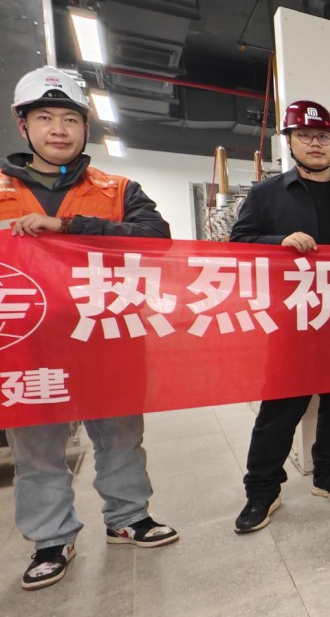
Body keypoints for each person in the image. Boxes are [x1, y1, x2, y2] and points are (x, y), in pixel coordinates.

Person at [3, 67, 178, 590]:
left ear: (85, 126)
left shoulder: (117, 189)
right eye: (45, 118)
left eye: (70, 119)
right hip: (27, 343)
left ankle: (129, 517)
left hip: (107, 336)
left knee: (121, 434)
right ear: (23, 125)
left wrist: (71, 227)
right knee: (36, 446)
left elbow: (157, 239)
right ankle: (50, 539)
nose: (58, 129)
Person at [230, 100, 330, 533]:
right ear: (290, 142)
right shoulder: (266, 194)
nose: (315, 144)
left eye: (323, 137)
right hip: (292, 320)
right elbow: (237, 245)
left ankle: (328, 473)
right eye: (305, 136)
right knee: (280, 410)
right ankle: (262, 491)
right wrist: (278, 242)